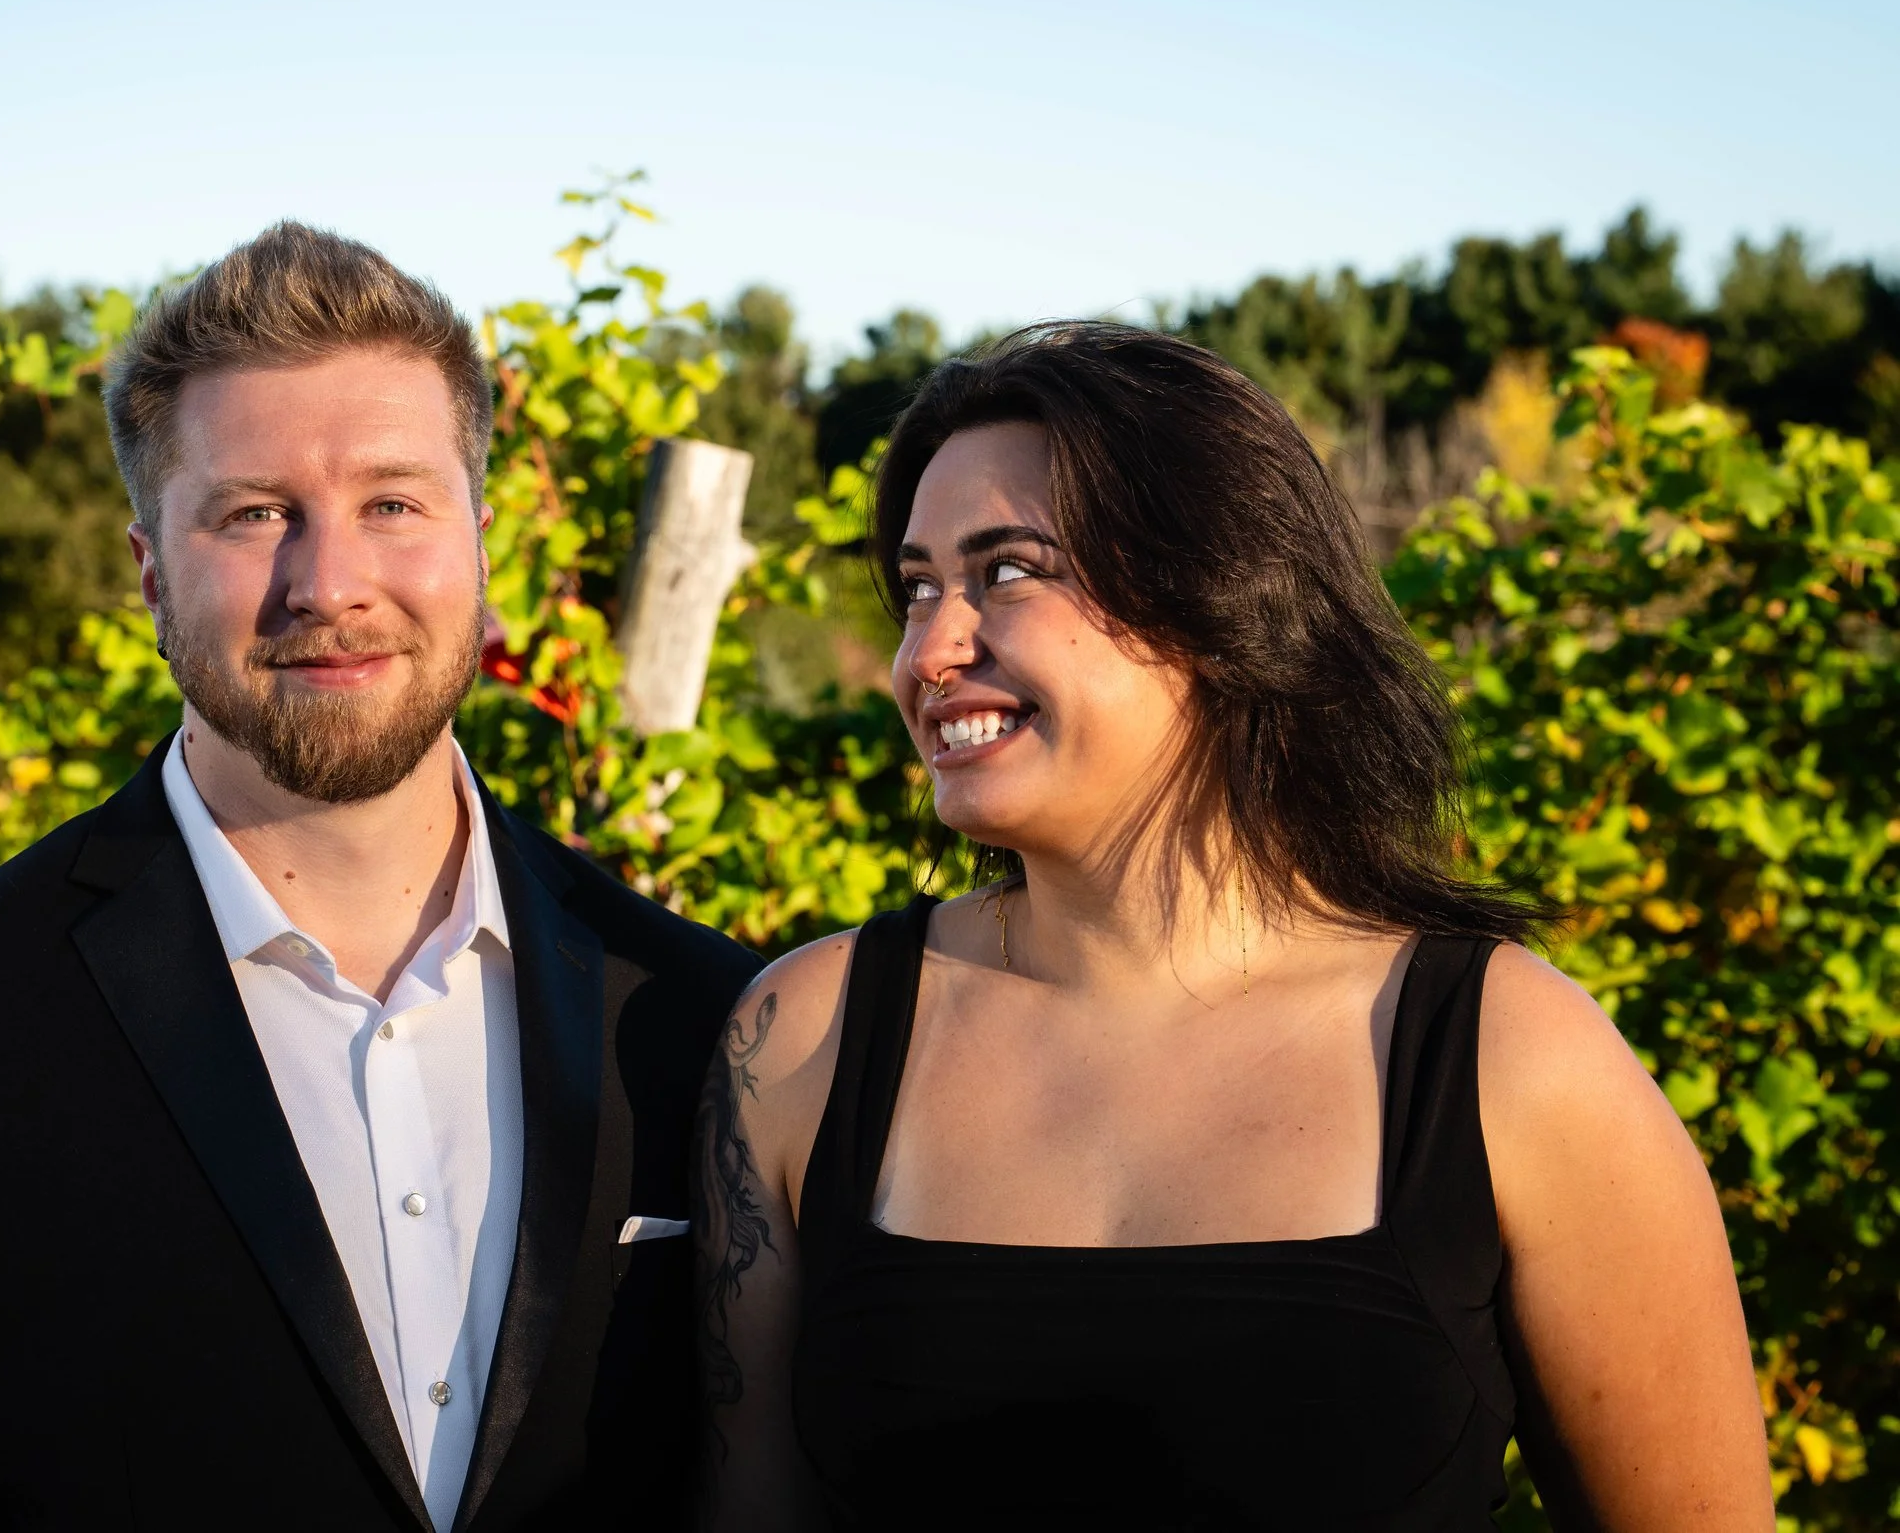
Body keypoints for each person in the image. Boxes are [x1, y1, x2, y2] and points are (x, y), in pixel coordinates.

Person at [0, 223, 756, 1532]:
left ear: (480, 544)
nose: (329, 582)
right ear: (150, 570)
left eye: (391, 502)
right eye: (256, 513)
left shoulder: (709, 1013)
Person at [695, 323, 1775, 1531]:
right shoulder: (805, 1041)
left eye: (1005, 570)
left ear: (1214, 597)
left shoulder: (1503, 1055)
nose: (930, 650)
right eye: (916, 588)